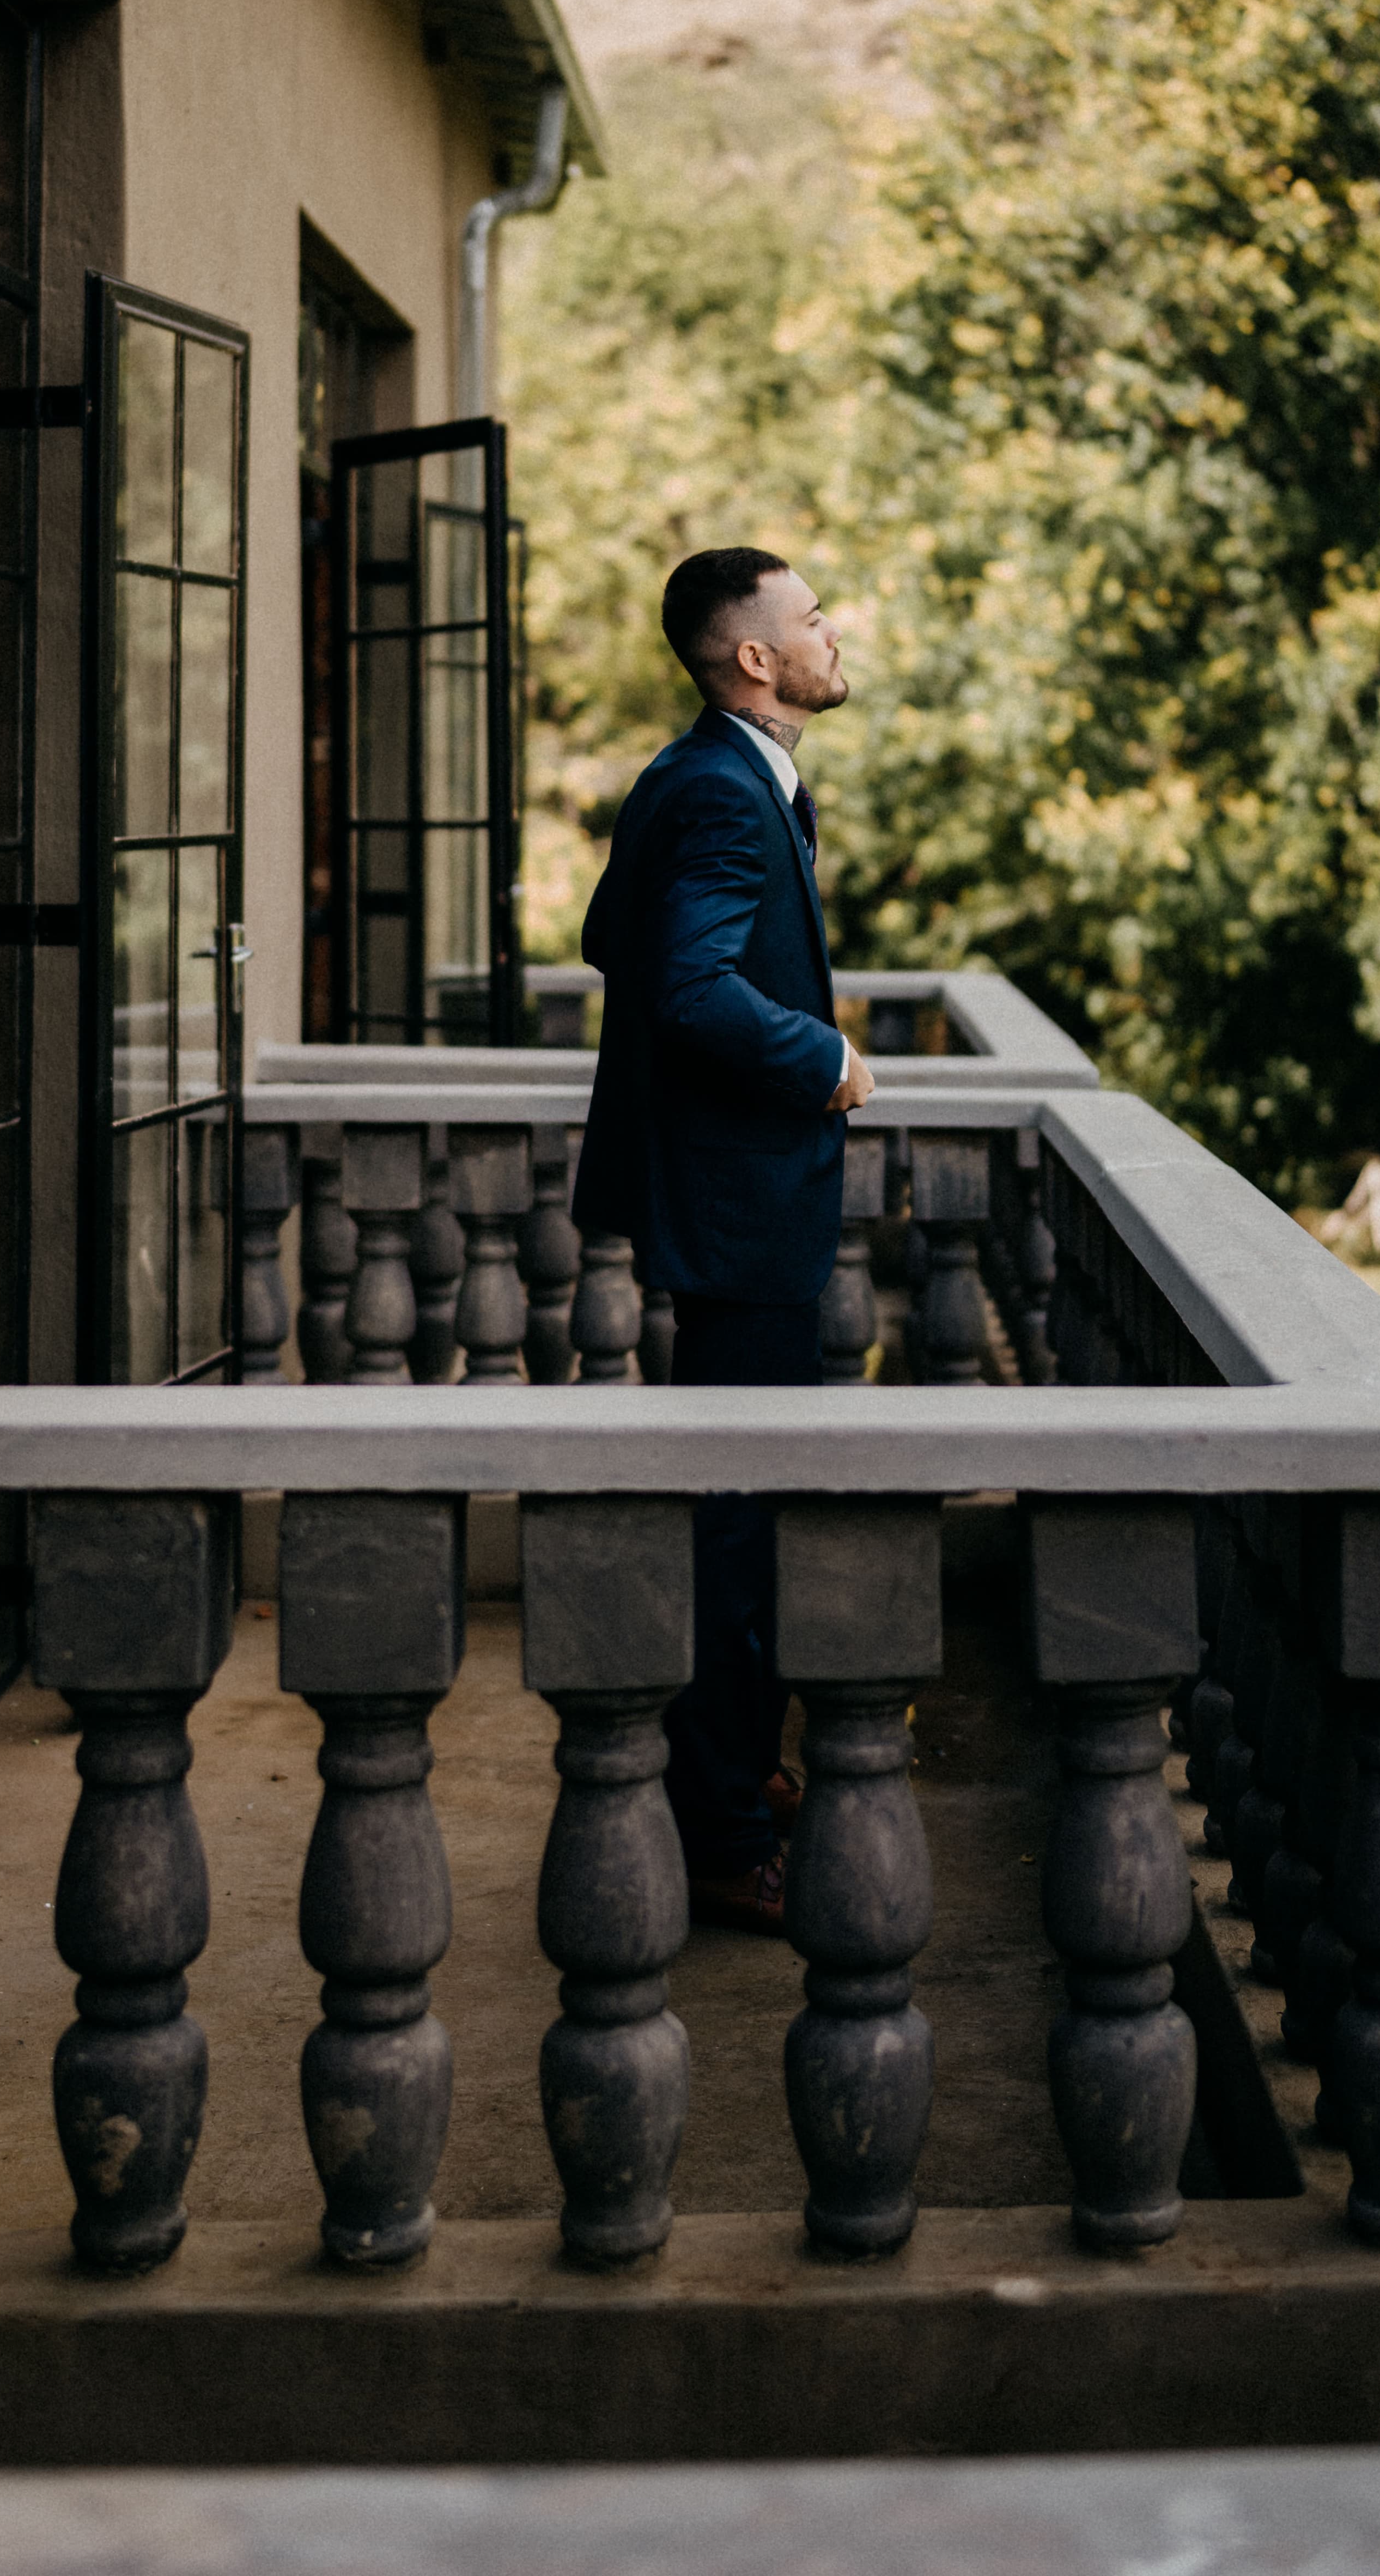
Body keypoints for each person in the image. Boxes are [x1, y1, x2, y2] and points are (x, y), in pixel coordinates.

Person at [573, 547, 873, 1932]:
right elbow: (684, 985)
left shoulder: (706, 777)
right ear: (755, 658)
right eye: (809, 617)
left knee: (735, 1513)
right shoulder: (721, 796)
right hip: (744, 1211)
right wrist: (820, 1057)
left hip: (727, 1202)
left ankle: (738, 1775)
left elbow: (605, 933)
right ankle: (724, 1831)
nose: (829, 630)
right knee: (737, 1533)